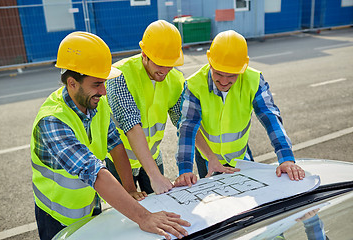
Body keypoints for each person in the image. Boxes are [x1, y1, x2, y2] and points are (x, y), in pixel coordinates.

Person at [31, 31, 190, 240]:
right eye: (97, 84)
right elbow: (94, 172)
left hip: (90, 205)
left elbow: (115, 144)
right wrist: (144, 217)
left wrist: (130, 188)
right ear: (72, 83)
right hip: (57, 216)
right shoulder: (52, 121)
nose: (104, 91)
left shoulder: (97, 105)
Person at [174, 30, 305, 187]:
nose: (223, 81)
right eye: (218, 74)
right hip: (208, 158)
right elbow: (187, 126)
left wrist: (286, 158)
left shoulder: (254, 80)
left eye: (231, 76)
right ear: (210, 62)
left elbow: (270, 117)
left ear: (243, 67)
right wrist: (185, 170)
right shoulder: (194, 85)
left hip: (241, 155)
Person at [105, 20, 185, 194]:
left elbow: (185, 124)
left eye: (170, 63)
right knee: (129, 214)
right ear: (144, 54)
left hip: (153, 158)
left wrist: (185, 169)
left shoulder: (176, 80)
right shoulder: (118, 76)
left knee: (161, 208)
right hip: (121, 162)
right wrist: (155, 177)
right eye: (159, 63)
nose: (165, 70)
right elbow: (131, 125)